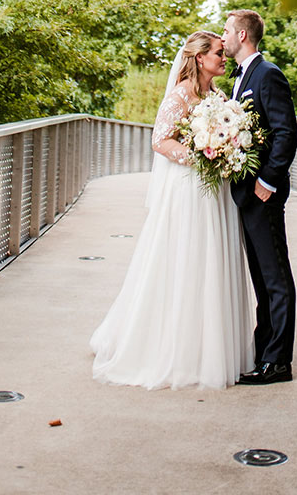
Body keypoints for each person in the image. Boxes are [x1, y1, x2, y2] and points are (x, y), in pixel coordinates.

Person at [90, 31, 255, 389]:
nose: (223, 57)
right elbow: (160, 140)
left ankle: (212, 346)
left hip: (217, 194)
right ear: (199, 58)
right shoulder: (180, 95)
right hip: (190, 192)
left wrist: (224, 151)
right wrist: (200, 155)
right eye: (216, 53)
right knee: (187, 263)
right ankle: (177, 351)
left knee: (214, 263)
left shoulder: (218, 96)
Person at [222, 8, 297, 385]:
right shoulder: (240, 78)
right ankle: (263, 350)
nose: (222, 38)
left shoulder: (268, 75)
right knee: (260, 276)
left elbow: (286, 133)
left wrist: (266, 183)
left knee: (275, 276)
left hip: (262, 194)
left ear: (242, 35)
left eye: (226, 31)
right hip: (245, 194)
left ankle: (279, 362)